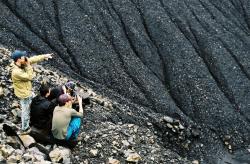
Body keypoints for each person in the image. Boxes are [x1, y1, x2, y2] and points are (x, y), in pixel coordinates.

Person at [10, 50, 52, 133]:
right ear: (18, 59)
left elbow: (32, 59)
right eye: (23, 57)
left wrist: (44, 56)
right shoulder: (16, 72)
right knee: (25, 111)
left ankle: (34, 114)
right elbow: (29, 77)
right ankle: (24, 128)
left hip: (27, 90)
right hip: (24, 94)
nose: (25, 58)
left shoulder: (21, 63)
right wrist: (29, 66)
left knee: (35, 100)